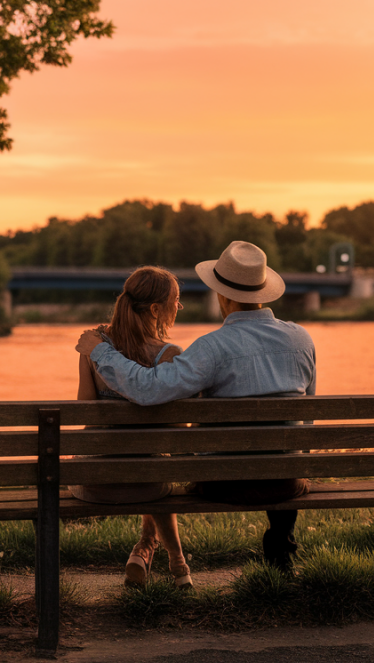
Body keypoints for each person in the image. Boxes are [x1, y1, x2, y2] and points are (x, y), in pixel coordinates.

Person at [76, 241, 316, 572]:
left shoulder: (210, 349)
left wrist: (100, 352)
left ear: (223, 296)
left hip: (224, 485)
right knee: (285, 449)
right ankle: (280, 548)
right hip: (287, 483)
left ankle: (153, 546)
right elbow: (308, 417)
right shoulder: (302, 339)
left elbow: (148, 389)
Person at [70, 266, 193, 589]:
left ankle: (147, 549)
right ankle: (177, 563)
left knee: (147, 462)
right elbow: (178, 429)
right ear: (155, 310)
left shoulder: (94, 349)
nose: (178, 308)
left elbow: (86, 411)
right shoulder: (169, 355)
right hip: (148, 485)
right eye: (175, 302)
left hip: (93, 483)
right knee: (153, 464)